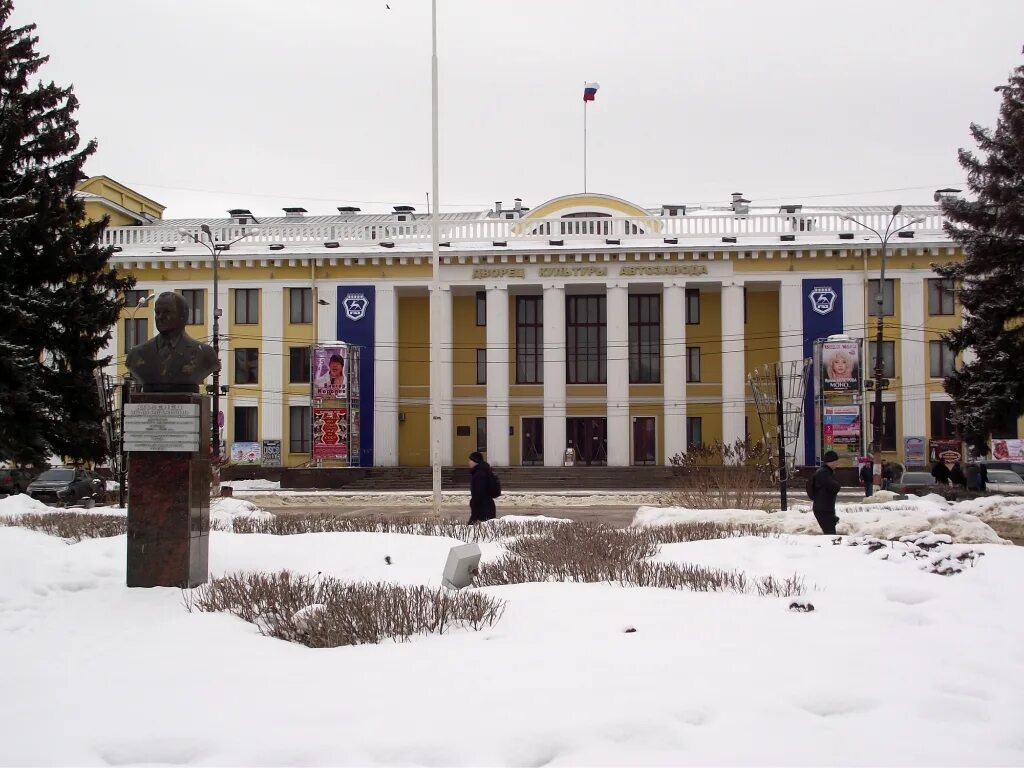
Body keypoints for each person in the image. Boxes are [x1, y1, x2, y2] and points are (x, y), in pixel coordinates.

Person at [125, 292, 218, 393]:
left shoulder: (205, 354)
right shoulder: (137, 354)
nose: (160, 316)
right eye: (157, 312)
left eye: (167, 312)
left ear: (183, 316)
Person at [807, 450, 842, 535]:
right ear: (832, 462)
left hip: (824, 508)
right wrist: (837, 485)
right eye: (836, 461)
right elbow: (833, 486)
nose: (837, 464)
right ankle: (830, 548)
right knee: (830, 535)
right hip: (823, 510)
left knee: (830, 533)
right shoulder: (823, 473)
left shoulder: (824, 472)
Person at [467, 451, 496, 525]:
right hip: (485, 507)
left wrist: (473, 503)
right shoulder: (482, 472)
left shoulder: (480, 474)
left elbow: (479, 493)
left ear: (475, 461)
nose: (469, 462)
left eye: (470, 460)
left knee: (475, 530)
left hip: (482, 509)